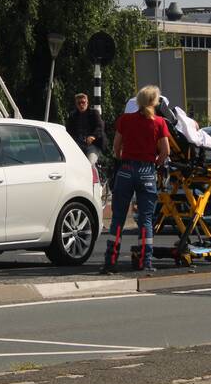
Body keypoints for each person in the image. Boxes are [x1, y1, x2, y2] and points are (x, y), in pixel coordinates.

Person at [102, 85, 170, 274]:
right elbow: (165, 151)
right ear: (155, 102)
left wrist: (122, 159)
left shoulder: (125, 119)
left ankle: (110, 261)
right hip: (147, 171)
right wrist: (155, 164)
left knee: (118, 218)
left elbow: (116, 146)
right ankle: (144, 261)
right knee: (145, 218)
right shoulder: (159, 123)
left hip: (126, 170)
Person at [65, 93, 105, 165]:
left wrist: (93, 136)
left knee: (89, 163)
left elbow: (100, 127)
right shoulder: (72, 116)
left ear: (87, 103)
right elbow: (68, 131)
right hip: (77, 145)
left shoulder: (94, 113)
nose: (81, 105)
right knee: (66, 161)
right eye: (79, 103)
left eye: (83, 102)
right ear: (76, 104)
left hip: (93, 145)